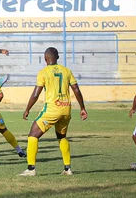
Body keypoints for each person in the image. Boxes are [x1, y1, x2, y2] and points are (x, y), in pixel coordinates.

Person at [19, 47, 87, 176]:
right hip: (66, 109)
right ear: (58, 58)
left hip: (52, 110)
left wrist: (27, 109)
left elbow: (35, 94)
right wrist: (82, 108)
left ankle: (31, 169)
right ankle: (67, 169)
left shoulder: (43, 72)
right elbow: (76, 90)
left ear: (45, 59)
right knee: (62, 137)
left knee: (33, 135)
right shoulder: (66, 71)